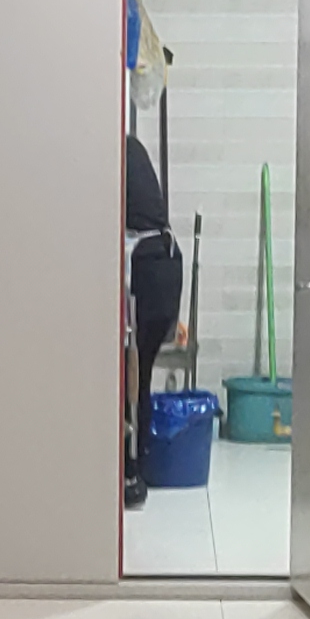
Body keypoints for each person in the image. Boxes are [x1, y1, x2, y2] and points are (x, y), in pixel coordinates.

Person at [124, 127, 181, 509]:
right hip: (167, 264)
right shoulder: (132, 148)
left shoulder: (113, 155)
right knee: (138, 376)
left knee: (129, 377)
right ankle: (135, 468)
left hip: (147, 270)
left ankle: (130, 472)